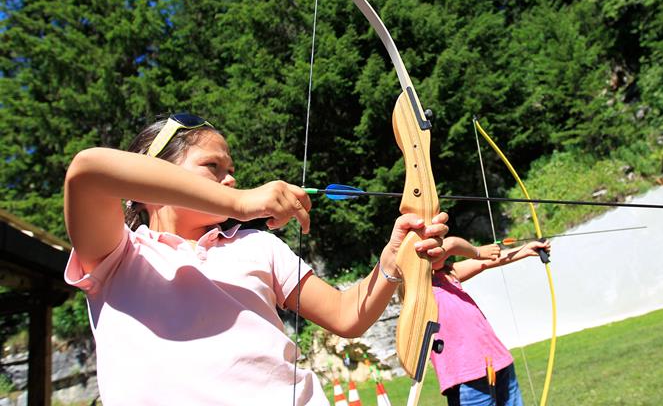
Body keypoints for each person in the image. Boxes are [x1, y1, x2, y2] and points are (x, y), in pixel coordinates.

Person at [62, 113, 449, 405]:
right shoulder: (117, 255)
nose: (230, 179)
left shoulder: (255, 246)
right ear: (152, 168)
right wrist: (241, 202)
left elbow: (346, 314)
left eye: (231, 172)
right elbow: (87, 171)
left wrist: (392, 261)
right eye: (213, 167)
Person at [429, 236, 550, 406]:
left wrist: (524, 250)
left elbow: (488, 262)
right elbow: (451, 244)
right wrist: (477, 252)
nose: (438, 245)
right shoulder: (417, 285)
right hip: (467, 376)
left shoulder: (450, 274)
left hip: (498, 361)